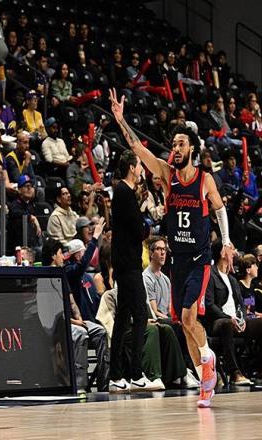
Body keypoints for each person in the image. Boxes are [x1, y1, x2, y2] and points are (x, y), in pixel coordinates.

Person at [109, 88, 235, 408]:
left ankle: (207, 359)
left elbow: (220, 209)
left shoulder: (204, 179)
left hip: (199, 259)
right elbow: (137, 148)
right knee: (185, 324)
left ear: (191, 148)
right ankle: (205, 377)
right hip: (177, 261)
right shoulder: (167, 176)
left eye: (181, 144)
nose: (175, 148)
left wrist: (227, 242)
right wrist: (121, 120)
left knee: (190, 317)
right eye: (174, 144)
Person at [109, 150, 156, 392]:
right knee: (139, 315)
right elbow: (139, 231)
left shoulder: (124, 192)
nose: (141, 170)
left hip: (126, 263)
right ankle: (135, 373)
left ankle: (116, 375)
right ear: (131, 167)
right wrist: (145, 221)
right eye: (139, 165)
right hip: (128, 264)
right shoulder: (124, 192)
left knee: (123, 318)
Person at [41, 238, 110, 393]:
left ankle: (104, 383)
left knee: (100, 332)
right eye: (60, 253)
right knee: (80, 333)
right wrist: (74, 322)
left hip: (73, 320)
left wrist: (78, 317)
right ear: (53, 256)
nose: (62, 257)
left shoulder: (61, 275)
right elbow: (55, 312)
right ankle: (80, 385)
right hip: (57, 323)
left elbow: (72, 302)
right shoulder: (45, 278)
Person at [205, 241, 262, 385]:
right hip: (219, 321)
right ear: (222, 253)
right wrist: (229, 318)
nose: (235, 252)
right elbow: (210, 305)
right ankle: (234, 372)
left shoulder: (232, 279)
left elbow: (241, 305)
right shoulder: (210, 275)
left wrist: (242, 318)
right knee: (227, 324)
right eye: (231, 249)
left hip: (237, 321)